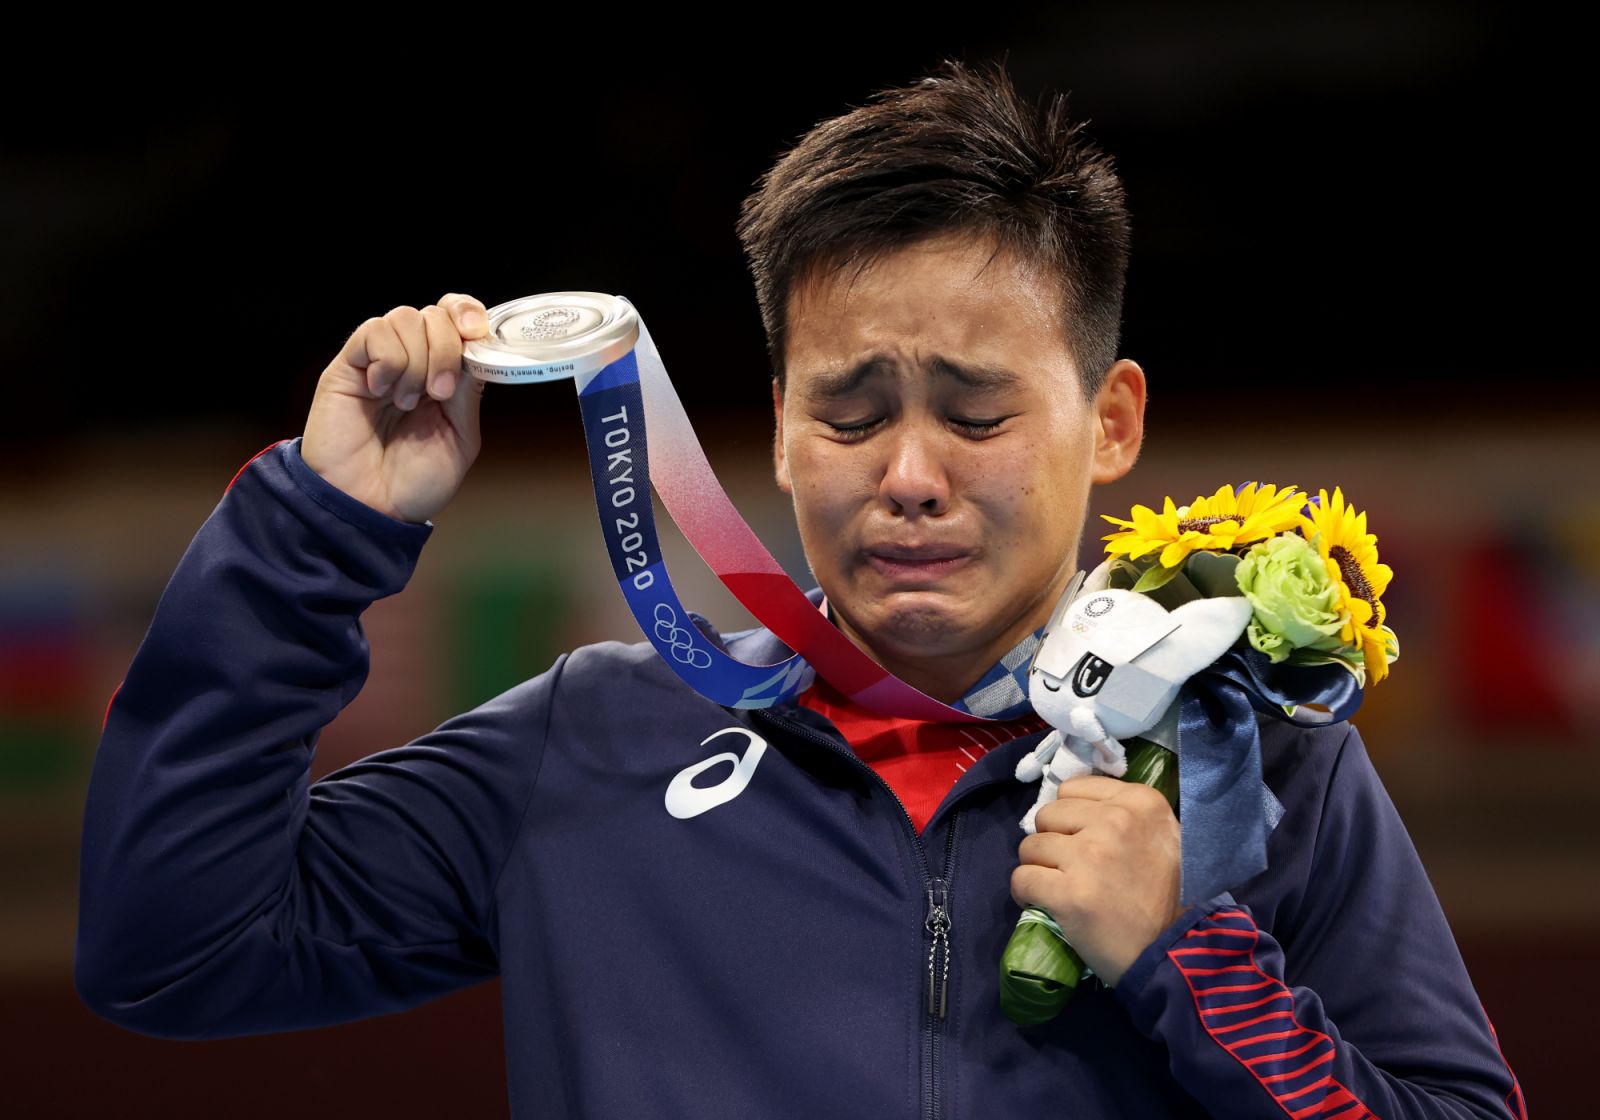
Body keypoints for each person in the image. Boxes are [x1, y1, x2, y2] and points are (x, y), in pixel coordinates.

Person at [75, 60, 1526, 1118]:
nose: (907, 475)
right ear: (773, 424)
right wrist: (318, 533)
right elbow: (166, 948)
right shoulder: (591, 746)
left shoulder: (1255, 761)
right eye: (849, 415)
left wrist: (1188, 960)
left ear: (1117, 421)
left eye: (974, 415)